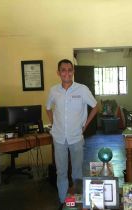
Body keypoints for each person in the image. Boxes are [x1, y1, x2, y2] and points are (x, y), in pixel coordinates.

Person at [46, 59, 98, 209]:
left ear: (73, 72)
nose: (67, 73)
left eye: (70, 70)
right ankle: (63, 202)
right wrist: (54, 123)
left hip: (76, 137)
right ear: (58, 72)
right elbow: (48, 108)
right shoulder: (53, 90)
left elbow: (95, 107)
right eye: (63, 70)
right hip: (59, 137)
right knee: (61, 171)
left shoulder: (82, 89)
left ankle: (77, 201)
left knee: (76, 172)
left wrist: (85, 125)